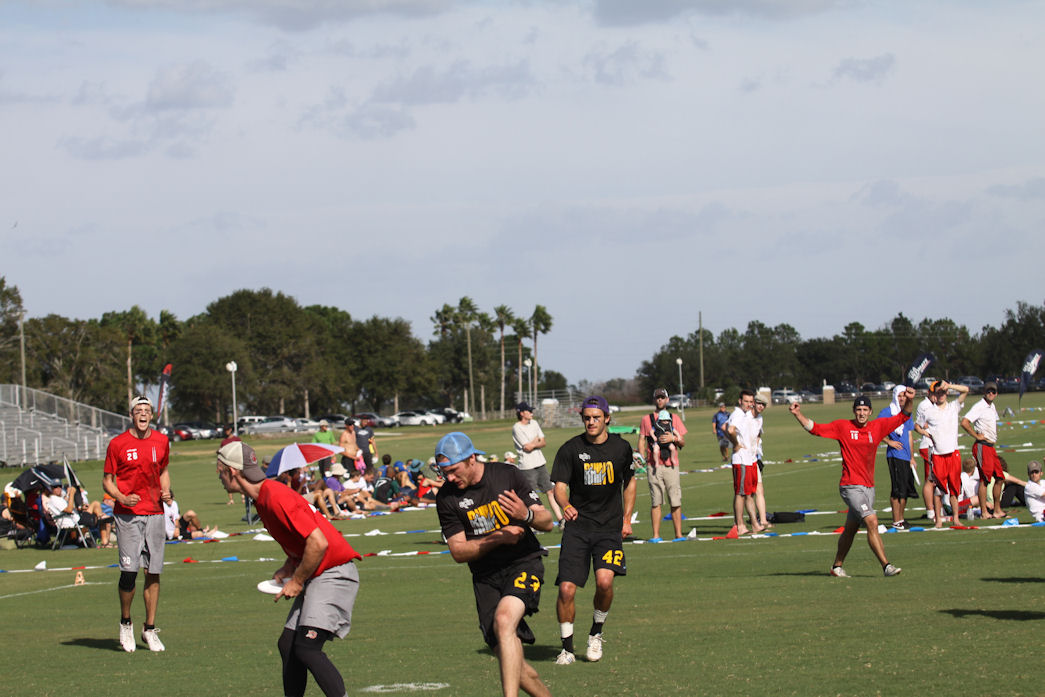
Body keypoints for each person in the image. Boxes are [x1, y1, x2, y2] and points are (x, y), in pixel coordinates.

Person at [216, 440, 362, 697]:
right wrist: (288, 568)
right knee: (288, 644)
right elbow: (301, 542)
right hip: (318, 573)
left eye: (220, 470)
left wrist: (296, 581)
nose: (218, 476)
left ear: (233, 471)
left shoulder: (274, 496)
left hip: (334, 571)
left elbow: (318, 543)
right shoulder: (263, 499)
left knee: (307, 648)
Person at [434, 432, 553, 697]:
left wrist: (526, 514)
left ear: (471, 459)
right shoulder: (446, 498)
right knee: (516, 666)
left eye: (453, 470)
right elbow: (458, 551)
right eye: (444, 472)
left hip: (524, 563)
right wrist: (497, 538)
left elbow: (547, 522)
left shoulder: (507, 475)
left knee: (504, 619)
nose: (449, 478)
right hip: (485, 578)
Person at [789, 389, 915, 577]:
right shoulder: (843, 426)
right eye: (858, 410)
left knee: (850, 529)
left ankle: (837, 566)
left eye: (865, 410)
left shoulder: (878, 426)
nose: (861, 413)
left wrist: (910, 399)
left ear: (870, 412)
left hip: (868, 488)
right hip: (850, 486)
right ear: (854, 411)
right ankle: (886, 566)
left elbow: (904, 415)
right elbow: (815, 428)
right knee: (872, 521)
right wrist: (798, 414)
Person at [551, 395, 636, 665]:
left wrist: (626, 519)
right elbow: (559, 487)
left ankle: (596, 633)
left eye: (596, 418)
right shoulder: (570, 449)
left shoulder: (621, 448)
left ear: (607, 418)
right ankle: (567, 649)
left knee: (605, 582)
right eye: (587, 418)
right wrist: (565, 505)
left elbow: (630, 482)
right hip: (577, 529)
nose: (591, 422)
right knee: (566, 589)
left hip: (609, 528)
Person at [102, 395, 172, 652]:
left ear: (152, 415)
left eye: (147, 410)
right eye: (138, 410)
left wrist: (166, 491)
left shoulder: (162, 441)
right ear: (131, 415)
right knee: (129, 572)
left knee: (153, 572)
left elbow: (163, 471)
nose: (143, 414)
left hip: (155, 513)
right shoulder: (117, 444)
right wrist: (121, 497)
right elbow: (107, 481)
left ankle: (149, 628)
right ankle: (125, 622)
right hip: (127, 516)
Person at [915, 380, 970, 528]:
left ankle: (956, 518)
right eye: (938, 392)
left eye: (943, 392)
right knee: (938, 490)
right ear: (934, 394)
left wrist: (949, 386)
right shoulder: (929, 411)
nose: (941, 395)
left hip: (953, 453)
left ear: (946, 393)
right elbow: (917, 426)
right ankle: (938, 519)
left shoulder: (953, 407)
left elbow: (965, 390)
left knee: (954, 489)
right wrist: (926, 434)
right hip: (938, 455)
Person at [637, 387, 686, 542]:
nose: (660, 400)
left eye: (662, 397)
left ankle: (679, 534)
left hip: (671, 465)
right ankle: (656, 535)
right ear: (654, 400)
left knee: (675, 500)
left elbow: (683, 442)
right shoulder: (646, 419)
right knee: (656, 501)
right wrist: (642, 457)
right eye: (657, 397)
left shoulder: (674, 418)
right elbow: (642, 439)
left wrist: (674, 439)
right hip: (653, 465)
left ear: (667, 400)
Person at [512, 401, 563, 522]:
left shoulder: (534, 423)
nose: (531, 413)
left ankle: (561, 519)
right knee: (531, 496)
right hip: (527, 466)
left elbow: (543, 442)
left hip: (540, 462)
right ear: (522, 413)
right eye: (529, 411)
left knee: (550, 491)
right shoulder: (517, 427)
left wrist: (534, 442)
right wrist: (536, 440)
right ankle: (536, 522)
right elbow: (527, 447)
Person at [962, 381, 1006, 518]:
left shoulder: (992, 407)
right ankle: (984, 512)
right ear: (984, 392)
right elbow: (964, 422)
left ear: (996, 394)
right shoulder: (979, 406)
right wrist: (976, 435)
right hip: (982, 446)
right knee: (985, 479)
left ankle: (997, 510)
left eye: (993, 391)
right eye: (988, 391)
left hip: (991, 447)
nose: (991, 393)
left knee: (1000, 477)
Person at [877, 385, 917, 530]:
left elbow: (910, 435)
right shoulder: (887, 412)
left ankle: (901, 519)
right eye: (899, 396)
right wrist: (889, 441)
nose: (901, 398)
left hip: (906, 456)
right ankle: (896, 520)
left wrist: (912, 456)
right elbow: (876, 430)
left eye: (904, 396)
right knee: (897, 489)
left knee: (905, 489)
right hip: (895, 455)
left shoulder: (907, 412)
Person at [727, 390, 761, 535]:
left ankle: (755, 524)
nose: (749, 404)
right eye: (746, 401)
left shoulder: (746, 415)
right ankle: (740, 525)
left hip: (749, 459)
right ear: (740, 401)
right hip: (740, 459)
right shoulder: (738, 414)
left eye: (751, 402)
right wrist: (735, 443)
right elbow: (730, 430)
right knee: (740, 494)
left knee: (749, 493)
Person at [750, 394, 771, 531]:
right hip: (744, 459)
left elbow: (758, 436)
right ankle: (739, 522)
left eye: (763, 405)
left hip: (755, 459)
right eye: (759, 403)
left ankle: (763, 520)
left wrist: (757, 454)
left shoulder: (759, 419)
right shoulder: (745, 417)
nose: (761, 407)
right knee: (745, 493)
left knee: (759, 490)